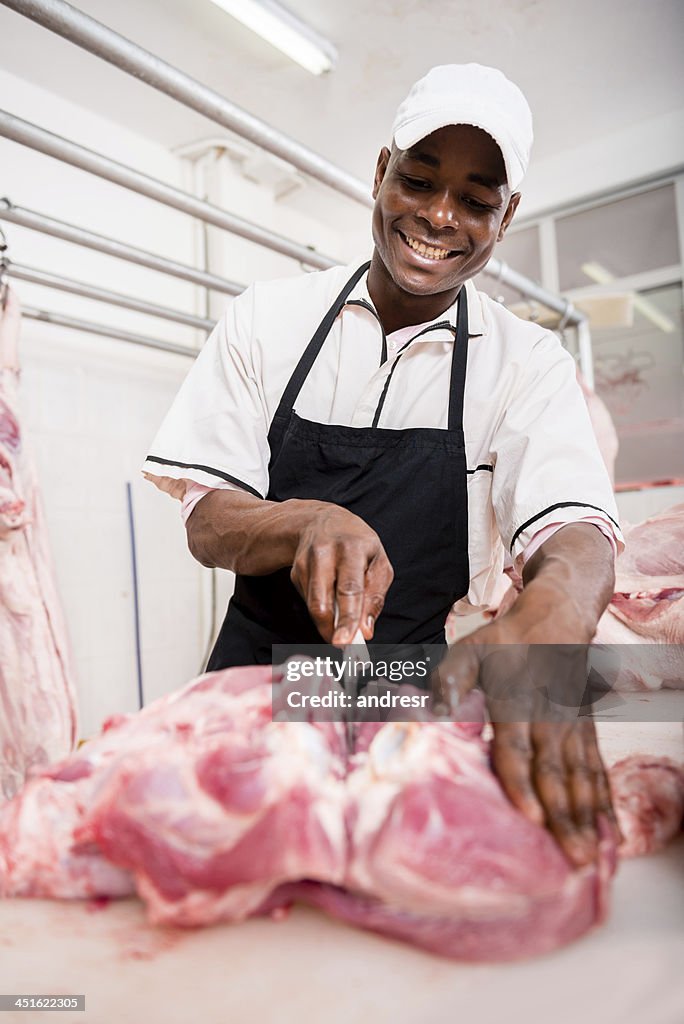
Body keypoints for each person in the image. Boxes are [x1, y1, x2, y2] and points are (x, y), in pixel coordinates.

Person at [143, 64, 623, 866]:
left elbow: (574, 525)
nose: (439, 216)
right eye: (419, 180)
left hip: (409, 689)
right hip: (248, 682)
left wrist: (559, 612)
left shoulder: (525, 362)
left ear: (506, 219)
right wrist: (303, 520)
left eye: (475, 202)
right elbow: (208, 515)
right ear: (380, 173)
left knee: (383, 878)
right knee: (212, 871)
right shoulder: (268, 318)